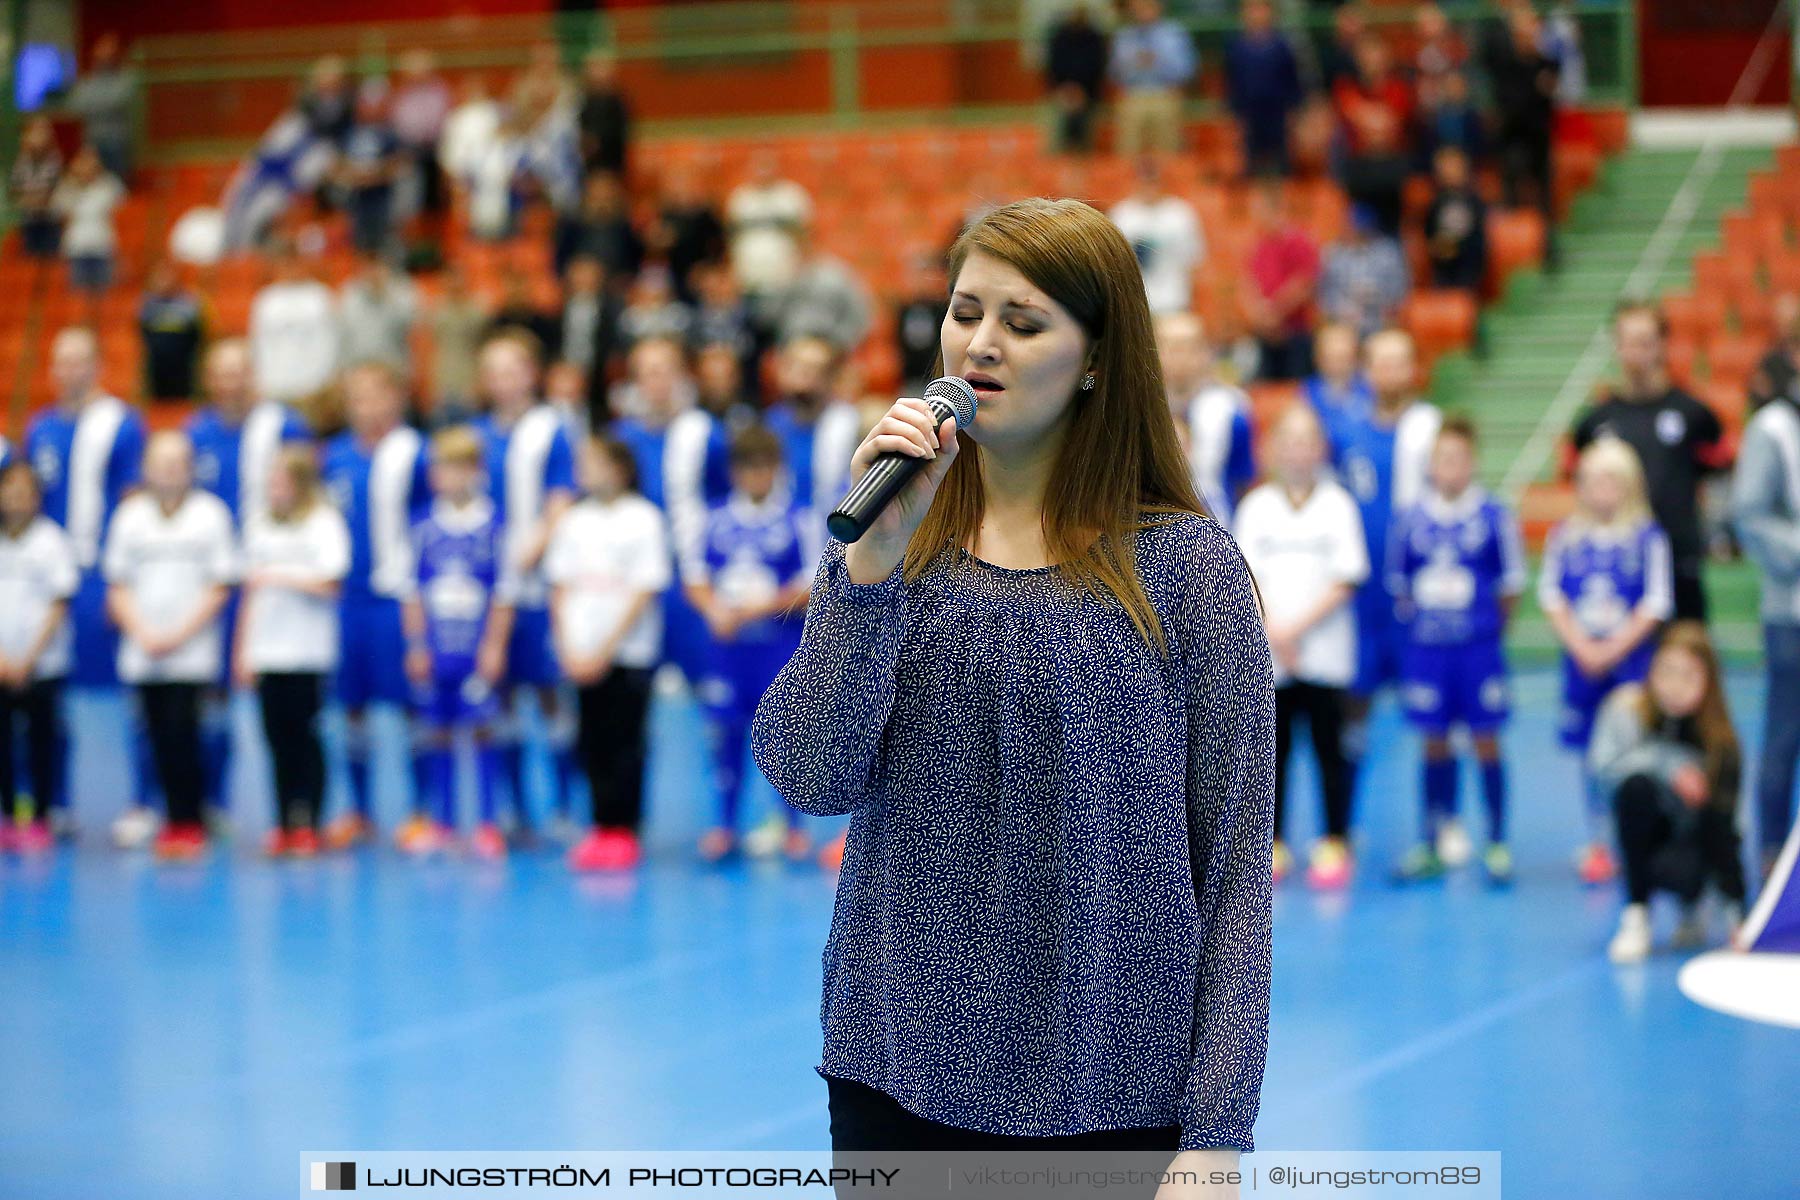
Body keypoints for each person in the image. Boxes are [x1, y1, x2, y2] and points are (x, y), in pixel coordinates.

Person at [749, 197, 1271, 1163]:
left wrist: (1216, 1139)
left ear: (1099, 360)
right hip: (894, 1073)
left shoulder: (1189, 572)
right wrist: (868, 576)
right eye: (964, 312)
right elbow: (807, 775)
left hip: (1111, 1093)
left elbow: (1236, 870)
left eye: (1023, 323)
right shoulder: (891, 543)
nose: (978, 344)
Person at [1385, 417, 1526, 884]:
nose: (1450, 467)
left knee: (1486, 737)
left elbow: (1510, 587)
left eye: (1459, 458)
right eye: (1442, 458)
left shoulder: (1492, 516)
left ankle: (1498, 842)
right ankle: (1432, 841)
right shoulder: (1411, 520)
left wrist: (1484, 629)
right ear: (1430, 465)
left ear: (1473, 463)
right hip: (1429, 651)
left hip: (1477, 650)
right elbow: (1400, 587)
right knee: (1433, 740)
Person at [1233, 404, 1367, 889]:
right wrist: (1274, 631)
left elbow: (1345, 579)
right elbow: (1242, 579)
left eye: (1306, 440)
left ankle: (1335, 838)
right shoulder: (1256, 508)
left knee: (1330, 750)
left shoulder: (1338, 506)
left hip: (1325, 654)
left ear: (1320, 449)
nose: (1297, 450)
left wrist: (1295, 631)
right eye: (1287, 440)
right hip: (1269, 657)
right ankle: (1275, 841)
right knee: (1274, 752)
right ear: (1271, 450)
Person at [24, 327, 147, 839]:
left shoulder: (121, 423)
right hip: (46, 578)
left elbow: (132, 500)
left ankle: (142, 802)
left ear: (98, 366)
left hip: (101, 574)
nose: (69, 371)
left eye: (79, 361)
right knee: (44, 694)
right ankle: (53, 803)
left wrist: (122, 577)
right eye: (60, 362)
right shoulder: (40, 427)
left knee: (128, 693)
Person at [186, 338, 312, 816]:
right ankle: (212, 800)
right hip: (215, 580)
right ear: (209, 380)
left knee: (287, 695)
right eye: (221, 372)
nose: (230, 381)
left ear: (254, 375)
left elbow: (308, 491)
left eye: (239, 371)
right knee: (211, 692)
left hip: (277, 577)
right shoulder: (196, 431)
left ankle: (299, 806)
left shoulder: (283, 425)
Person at [1540, 438, 1673, 885]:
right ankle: (1598, 839)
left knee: (1632, 750)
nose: (1601, 490)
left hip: (1631, 667)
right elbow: (1552, 595)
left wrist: (1613, 648)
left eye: (1611, 480)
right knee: (1588, 756)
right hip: (1582, 665)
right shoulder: (1566, 536)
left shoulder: (1647, 537)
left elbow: (1655, 602)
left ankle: (1635, 835)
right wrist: (1582, 646)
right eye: (1591, 480)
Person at [102, 432, 236, 862]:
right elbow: (117, 583)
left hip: (192, 650)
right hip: (143, 648)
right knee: (153, 733)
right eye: (161, 462)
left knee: (187, 732)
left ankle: (189, 820)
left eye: (178, 462)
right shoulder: (129, 516)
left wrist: (179, 633)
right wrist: (142, 631)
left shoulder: (211, 515)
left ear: (191, 468)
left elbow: (220, 583)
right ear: (146, 468)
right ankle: (162, 815)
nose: (169, 471)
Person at [685, 425, 813, 864]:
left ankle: (791, 825)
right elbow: (696, 577)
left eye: (765, 468)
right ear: (734, 472)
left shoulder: (798, 519)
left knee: (785, 732)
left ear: (777, 470)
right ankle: (724, 825)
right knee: (724, 731)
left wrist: (758, 609)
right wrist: (714, 611)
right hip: (729, 648)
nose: (756, 477)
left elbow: (813, 584)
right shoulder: (716, 518)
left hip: (778, 647)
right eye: (747, 468)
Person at [546, 433, 671, 872]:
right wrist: (567, 645)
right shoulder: (574, 520)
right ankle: (599, 825)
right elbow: (559, 585)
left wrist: (605, 648)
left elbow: (643, 590)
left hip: (627, 653)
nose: (582, 471)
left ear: (619, 469)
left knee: (625, 741)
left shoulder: (644, 519)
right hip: (580, 654)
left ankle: (625, 828)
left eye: (592, 461)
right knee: (590, 740)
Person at [472, 331, 580, 839]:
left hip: (537, 587)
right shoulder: (476, 434)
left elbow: (561, 497)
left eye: (511, 369)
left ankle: (560, 806)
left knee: (549, 692)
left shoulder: (550, 429)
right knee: (503, 695)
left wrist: (531, 550)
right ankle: (514, 811)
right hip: (490, 589)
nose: (502, 380)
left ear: (531, 374)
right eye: (493, 371)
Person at [320, 362, 431, 848]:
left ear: (396, 399)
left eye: (375, 395)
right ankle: (358, 810)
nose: (366, 407)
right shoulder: (335, 457)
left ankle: (420, 811)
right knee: (351, 707)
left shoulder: (415, 455)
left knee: (410, 705)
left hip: (396, 600)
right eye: (357, 397)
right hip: (348, 599)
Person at [1333, 330, 1442, 815]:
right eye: (1381, 361)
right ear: (1366, 369)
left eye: (1401, 361)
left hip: (1416, 598)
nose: (1391, 372)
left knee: (1430, 712)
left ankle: (1440, 822)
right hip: (1361, 599)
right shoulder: (1346, 432)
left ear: (1414, 368)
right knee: (1352, 709)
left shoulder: (1431, 430)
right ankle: (1343, 828)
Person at [1594, 623, 1748, 963]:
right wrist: (1669, 767)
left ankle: (1707, 910)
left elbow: (1728, 828)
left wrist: (1738, 912)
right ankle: (1636, 914)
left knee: (1712, 809)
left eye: (1689, 675)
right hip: (1645, 847)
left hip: (1695, 854)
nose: (1675, 687)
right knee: (1636, 787)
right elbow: (1604, 769)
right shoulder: (1626, 710)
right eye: (1666, 671)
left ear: (1709, 681)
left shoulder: (1721, 743)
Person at [1568, 302, 1723, 621]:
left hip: (1679, 559)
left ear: (1662, 346)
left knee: (1686, 656)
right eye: (1626, 341)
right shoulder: (1596, 423)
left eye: (1644, 342)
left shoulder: (1694, 415)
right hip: (1619, 568)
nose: (1634, 352)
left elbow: (1719, 470)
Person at [400, 426, 514, 858]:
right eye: (438, 469)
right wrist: (415, 646)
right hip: (436, 646)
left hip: (476, 646)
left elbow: (504, 593)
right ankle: (443, 821)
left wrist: (494, 646)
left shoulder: (494, 526)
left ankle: (487, 822)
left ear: (475, 471)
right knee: (438, 731)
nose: (443, 477)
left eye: (453, 468)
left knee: (483, 728)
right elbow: (411, 592)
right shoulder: (424, 527)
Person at [233, 446, 349, 857]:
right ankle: (282, 822)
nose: (273, 488)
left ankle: (309, 822)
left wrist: (279, 576)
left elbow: (330, 582)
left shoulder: (323, 523)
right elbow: (250, 590)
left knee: (306, 737)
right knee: (274, 739)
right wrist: (242, 651)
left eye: (281, 480)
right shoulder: (258, 526)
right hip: (267, 652)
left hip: (308, 652)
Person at [1731, 360, 1800, 877]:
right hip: (1791, 614)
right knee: (1783, 737)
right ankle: (1772, 862)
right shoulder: (1774, 427)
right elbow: (1749, 511)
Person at [0, 462, 77, 855]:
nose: (15, 499)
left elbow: (58, 602)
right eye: (8, 490)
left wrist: (28, 659)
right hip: (1, 665)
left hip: (42, 665)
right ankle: (9, 815)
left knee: (41, 740)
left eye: (24, 491)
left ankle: (44, 815)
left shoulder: (51, 541)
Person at [1155, 313, 1254, 523]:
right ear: (1153, 351)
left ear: (1206, 353)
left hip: (1217, 522)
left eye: (1189, 346)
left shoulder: (1231, 407)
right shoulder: (1136, 406)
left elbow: (1242, 481)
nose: (1180, 356)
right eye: (1171, 346)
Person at [1108, 157, 1205, 318]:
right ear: (1135, 181)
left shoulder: (1181, 214)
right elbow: (1114, 265)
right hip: (1136, 305)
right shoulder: (1121, 215)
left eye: (1152, 181)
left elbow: (1193, 262)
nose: (1149, 187)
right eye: (1144, 181)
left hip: (1174, 302)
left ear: (1161, 182)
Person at [1240, 184, 1319, 381]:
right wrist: (1258, 313)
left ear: (1275, 210)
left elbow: (1304, 283)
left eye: (1259, 210)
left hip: (1294, 333)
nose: (1256, 215)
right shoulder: (1259, 244)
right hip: (1266, 334)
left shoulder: (1298, 241)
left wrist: (1274, 311)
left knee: (1296, 385)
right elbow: (1250, 281)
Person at [250, 239, 338, 405]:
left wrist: (325, 381)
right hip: (275, 387)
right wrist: (261, 382)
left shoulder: (320, 296)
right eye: (284, 262)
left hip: (314, 388)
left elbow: (332, 342)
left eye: (293, 261)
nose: (289, 267)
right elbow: (258, 344)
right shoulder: (266, 300)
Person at [1225, 0, 1303, 177]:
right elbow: (1232, 84)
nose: (1256, 14)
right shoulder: (1236, 47)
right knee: (1249, 167)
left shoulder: (1283, 46)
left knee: (1283, 166)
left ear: (1271, 13)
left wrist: (1293, 111)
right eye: (1251, 9)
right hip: (1249, 116)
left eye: (1261, 9)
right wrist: (1236, 116)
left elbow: (1292, 81)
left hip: (1278, 114)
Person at [1109, 0, 1196, 157]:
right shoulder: (1124, 36)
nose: (1144, 10)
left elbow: (1186, 70)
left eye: (1149, 5)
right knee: (1128, 152)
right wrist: (1134, 64)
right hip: (1133, 95)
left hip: (1165, 93)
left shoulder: (1174, 33)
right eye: (1139, 6)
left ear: (1159, 7)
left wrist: (1158, 61)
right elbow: (1115, 72)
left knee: (1167, 152)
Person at [727, 154, 813, 307]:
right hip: (749, 276)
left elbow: (804, 235)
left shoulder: (791, 196)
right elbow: (731, 236)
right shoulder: (741, 198)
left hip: (784, 277)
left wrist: (803, 265)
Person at [1319, 205, 1409, 340]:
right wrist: (1340, 310)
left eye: (1362, 229)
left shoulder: (1388, 252)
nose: (1357, 232)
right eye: (1353, 227)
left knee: (1390, 346)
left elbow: (1400, 290)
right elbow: (1325, 292)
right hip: (1343, 322)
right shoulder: (1333, 253)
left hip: (1380, 321)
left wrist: (1377, 298)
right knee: (1335, 344)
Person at [51, 145, 125, 299]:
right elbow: (58, 210)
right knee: (77, 299)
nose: (86, 166)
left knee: (106, 298)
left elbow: (122, 198)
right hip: (76, 248)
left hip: (102, 247)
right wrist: (72, 180)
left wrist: (99, 174)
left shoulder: (107, 185)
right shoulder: (66, 187)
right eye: (81, 162)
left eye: (90, 161)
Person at [66, 32, 138, 181]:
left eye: (109, 51)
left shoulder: (127, 78)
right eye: (101, 51)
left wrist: (95, 103)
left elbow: (118, 100)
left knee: (119, 188)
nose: (104, 56)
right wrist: (102, 103)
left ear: (117, 53)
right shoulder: (87, 80)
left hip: (118, 143)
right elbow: (76, 105)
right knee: (93, 187)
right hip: (92, 143)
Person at [337, 255, 420, 381]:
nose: (373, 273)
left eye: (377, 267)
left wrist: (385, 294)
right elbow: (343, 335)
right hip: (359, 367)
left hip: (391, 367)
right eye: (369, 268)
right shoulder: (351, 293)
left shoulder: (401, 290)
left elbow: (410, 323)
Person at [138, 261, 206, 401]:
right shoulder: (146, 304)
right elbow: (142, 334)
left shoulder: (190, 303)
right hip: (156, 370)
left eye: (166, 277)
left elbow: (198, 334)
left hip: (184, 369)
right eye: (159, 278)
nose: (163, 282)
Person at [1045, 3, 1108, 154]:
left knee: (1086, 124)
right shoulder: (1059, 37)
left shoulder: (1094, 38)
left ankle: (1085, 160)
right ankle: (1054, 165)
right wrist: (1065, 90)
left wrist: (1082, 91)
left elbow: (1097, 68)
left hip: (1089, 94)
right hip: (1062, 93)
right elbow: (1053, 68)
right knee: (1054, 120)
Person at [1423, 145, 1488, 292]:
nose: (1448, 171)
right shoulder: (1436, 202)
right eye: (1443, 167)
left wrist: (1458, 248)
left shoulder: (1474, 201)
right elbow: (1429, 232)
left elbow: (1480, 237)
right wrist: (1436, 246)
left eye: (1453, 166)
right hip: (1441, 269)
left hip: (1469, 269)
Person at [1303, 322, 1372, 454]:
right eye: (1332, 356)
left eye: (1343, 357)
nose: (1338, 363)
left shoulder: (1371, 390)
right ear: (1318, 357)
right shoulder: (1307, 393)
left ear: (1355, 356)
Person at [9, 116, 64, 260]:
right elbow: (15, 193)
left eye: (42, 133)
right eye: (33, 133)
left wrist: (31, 198)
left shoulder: (55, 160)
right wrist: (31, 198)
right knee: (29, 263)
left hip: (50, 221)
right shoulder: (21, 163)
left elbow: (49, 194)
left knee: (51, 264)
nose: (37, 138)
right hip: (29, 220)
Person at [577, 53, 631, 177]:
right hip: (585, 165)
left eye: (600, 69)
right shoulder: (582, 100)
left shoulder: (617, 101)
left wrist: (596, 142)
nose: (598, 75)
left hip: (610, 163)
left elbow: (621, 133)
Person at [1748, 291, 1800, 413]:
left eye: (1791, 320)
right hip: (1783, 418)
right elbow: (1759, 395)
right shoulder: (1771, 360)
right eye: (1781, 320)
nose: (1786, 326)